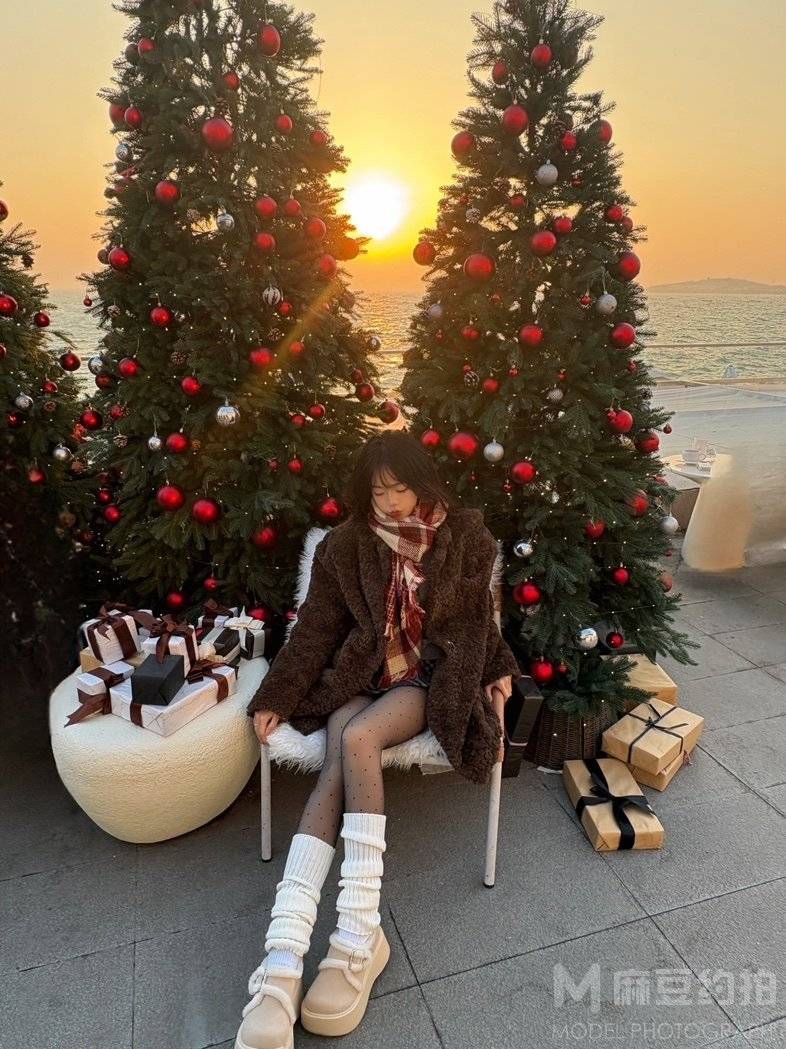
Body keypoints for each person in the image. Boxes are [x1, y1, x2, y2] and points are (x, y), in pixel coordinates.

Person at [234, 430, 522, 1049]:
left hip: (426, 678)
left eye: (399, 489)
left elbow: (476, 618)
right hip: (362, 674)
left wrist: (497, 666)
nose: (390, 502)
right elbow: (316, 627)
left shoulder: (465, 537)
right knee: (342, 747)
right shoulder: (344, 546)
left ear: (422, 483)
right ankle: (283, 961)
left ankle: (356, 935)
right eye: (378, 492)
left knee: (359, 737)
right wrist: (277, 696)